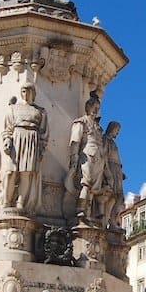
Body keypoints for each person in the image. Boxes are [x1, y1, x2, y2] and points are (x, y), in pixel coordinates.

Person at [1, 83, 48, 213]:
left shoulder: (40, 111)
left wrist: (42, 147)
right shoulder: (13, 109)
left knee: (26, 173)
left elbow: (44, 131)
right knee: (11, 172)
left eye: (28, 91)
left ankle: (21, 201)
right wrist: (7, 140)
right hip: (17, 138)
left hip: (32, 139)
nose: (26, 94)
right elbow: (8, 127)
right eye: (23, 91)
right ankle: (6, 200)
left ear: (33, 93)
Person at [65, 91, 106, 221]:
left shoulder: (98, 128)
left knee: (94, 188)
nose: (96, 111)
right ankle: (80, 210)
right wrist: (74, 157)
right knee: (86, 183)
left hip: (99, 158)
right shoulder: (81, 122)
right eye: (94, 108)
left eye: (98, 109)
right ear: (88, 107)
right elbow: (75, 140)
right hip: (87, 155)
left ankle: (88, 213)